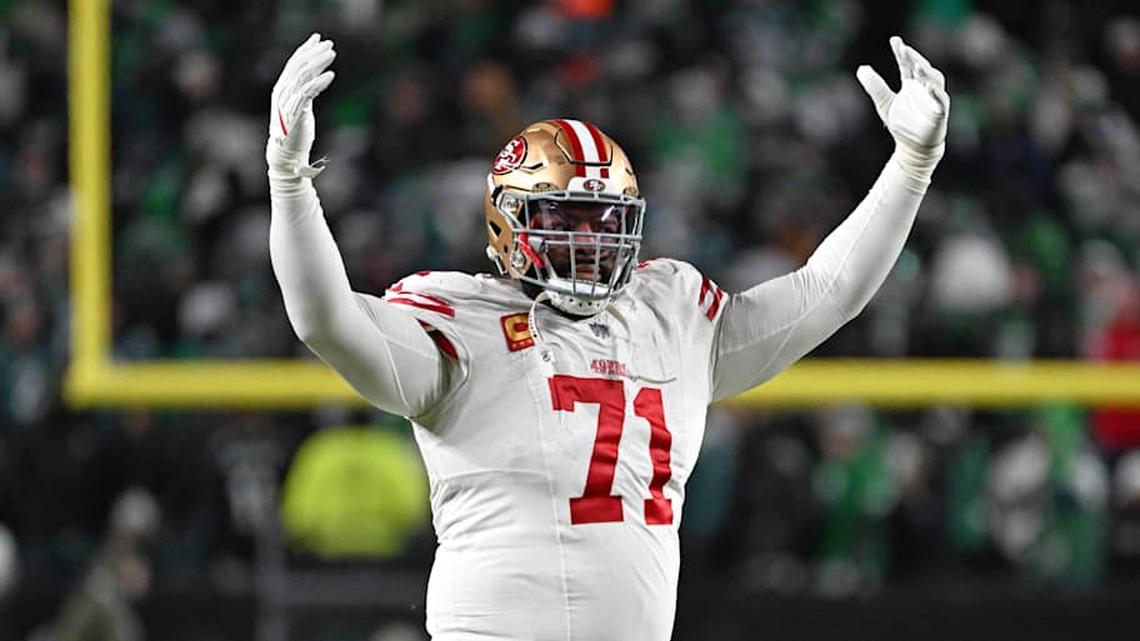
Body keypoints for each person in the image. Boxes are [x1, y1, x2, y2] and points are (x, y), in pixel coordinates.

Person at [267, 33, 949, 641]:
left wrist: (912, 164)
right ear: (508, 222)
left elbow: (828, 291)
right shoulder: (462, 322)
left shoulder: (668, 313)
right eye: (566, 218)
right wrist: (290, 182)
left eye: (605, 219)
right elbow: (325, 319)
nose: (590, 240)